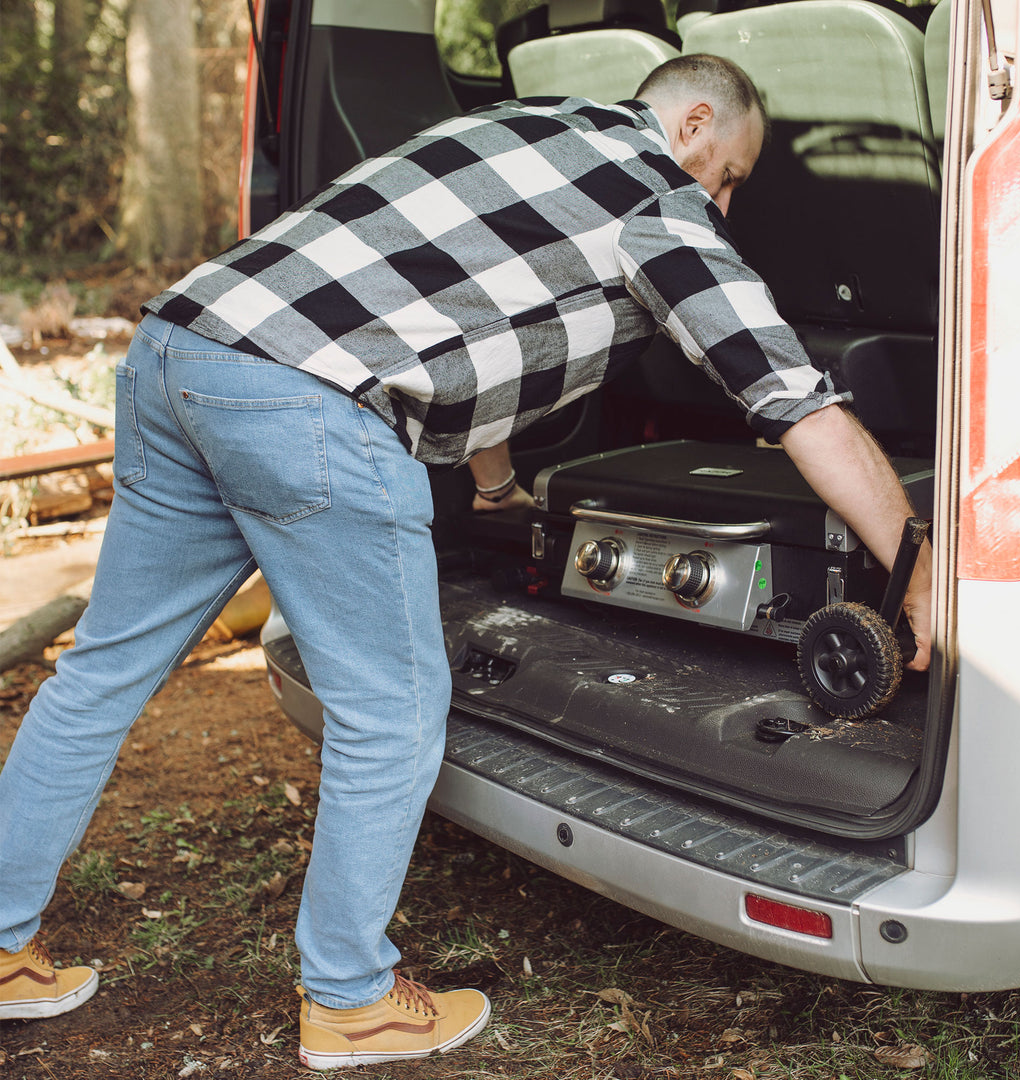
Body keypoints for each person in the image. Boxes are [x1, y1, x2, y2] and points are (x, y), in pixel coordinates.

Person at [0, 54, 931, 1067]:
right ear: (696, 123)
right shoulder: (658, 200)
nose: (726, 200)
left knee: (100, 672)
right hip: (306, 401)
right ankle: (351, 999)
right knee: (391, 710)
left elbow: (454, 317)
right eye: (734, 174)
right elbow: (790, 395)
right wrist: (912, 560)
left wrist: (495, 490)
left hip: (182, 350)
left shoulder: (526, 128)